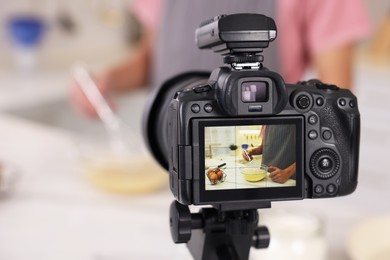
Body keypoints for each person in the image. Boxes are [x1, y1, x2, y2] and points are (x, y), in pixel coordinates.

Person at [71, 0, 371, 117]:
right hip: (170, 151)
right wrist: (106, 82)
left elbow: (335, 98)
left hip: (258, 161)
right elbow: (151, 59)